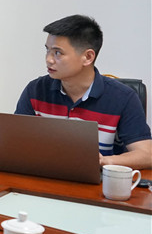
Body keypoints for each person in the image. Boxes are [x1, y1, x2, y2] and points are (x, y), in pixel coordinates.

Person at [15, 14, 152, 169]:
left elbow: (147, 155)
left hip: (96, 181)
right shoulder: (35, 90)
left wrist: (104, 161)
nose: (48, 59)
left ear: (88, 57)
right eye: (47, 50)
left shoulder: (123, 97)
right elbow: (15, 142)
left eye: (57, 53)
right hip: (44, 176)